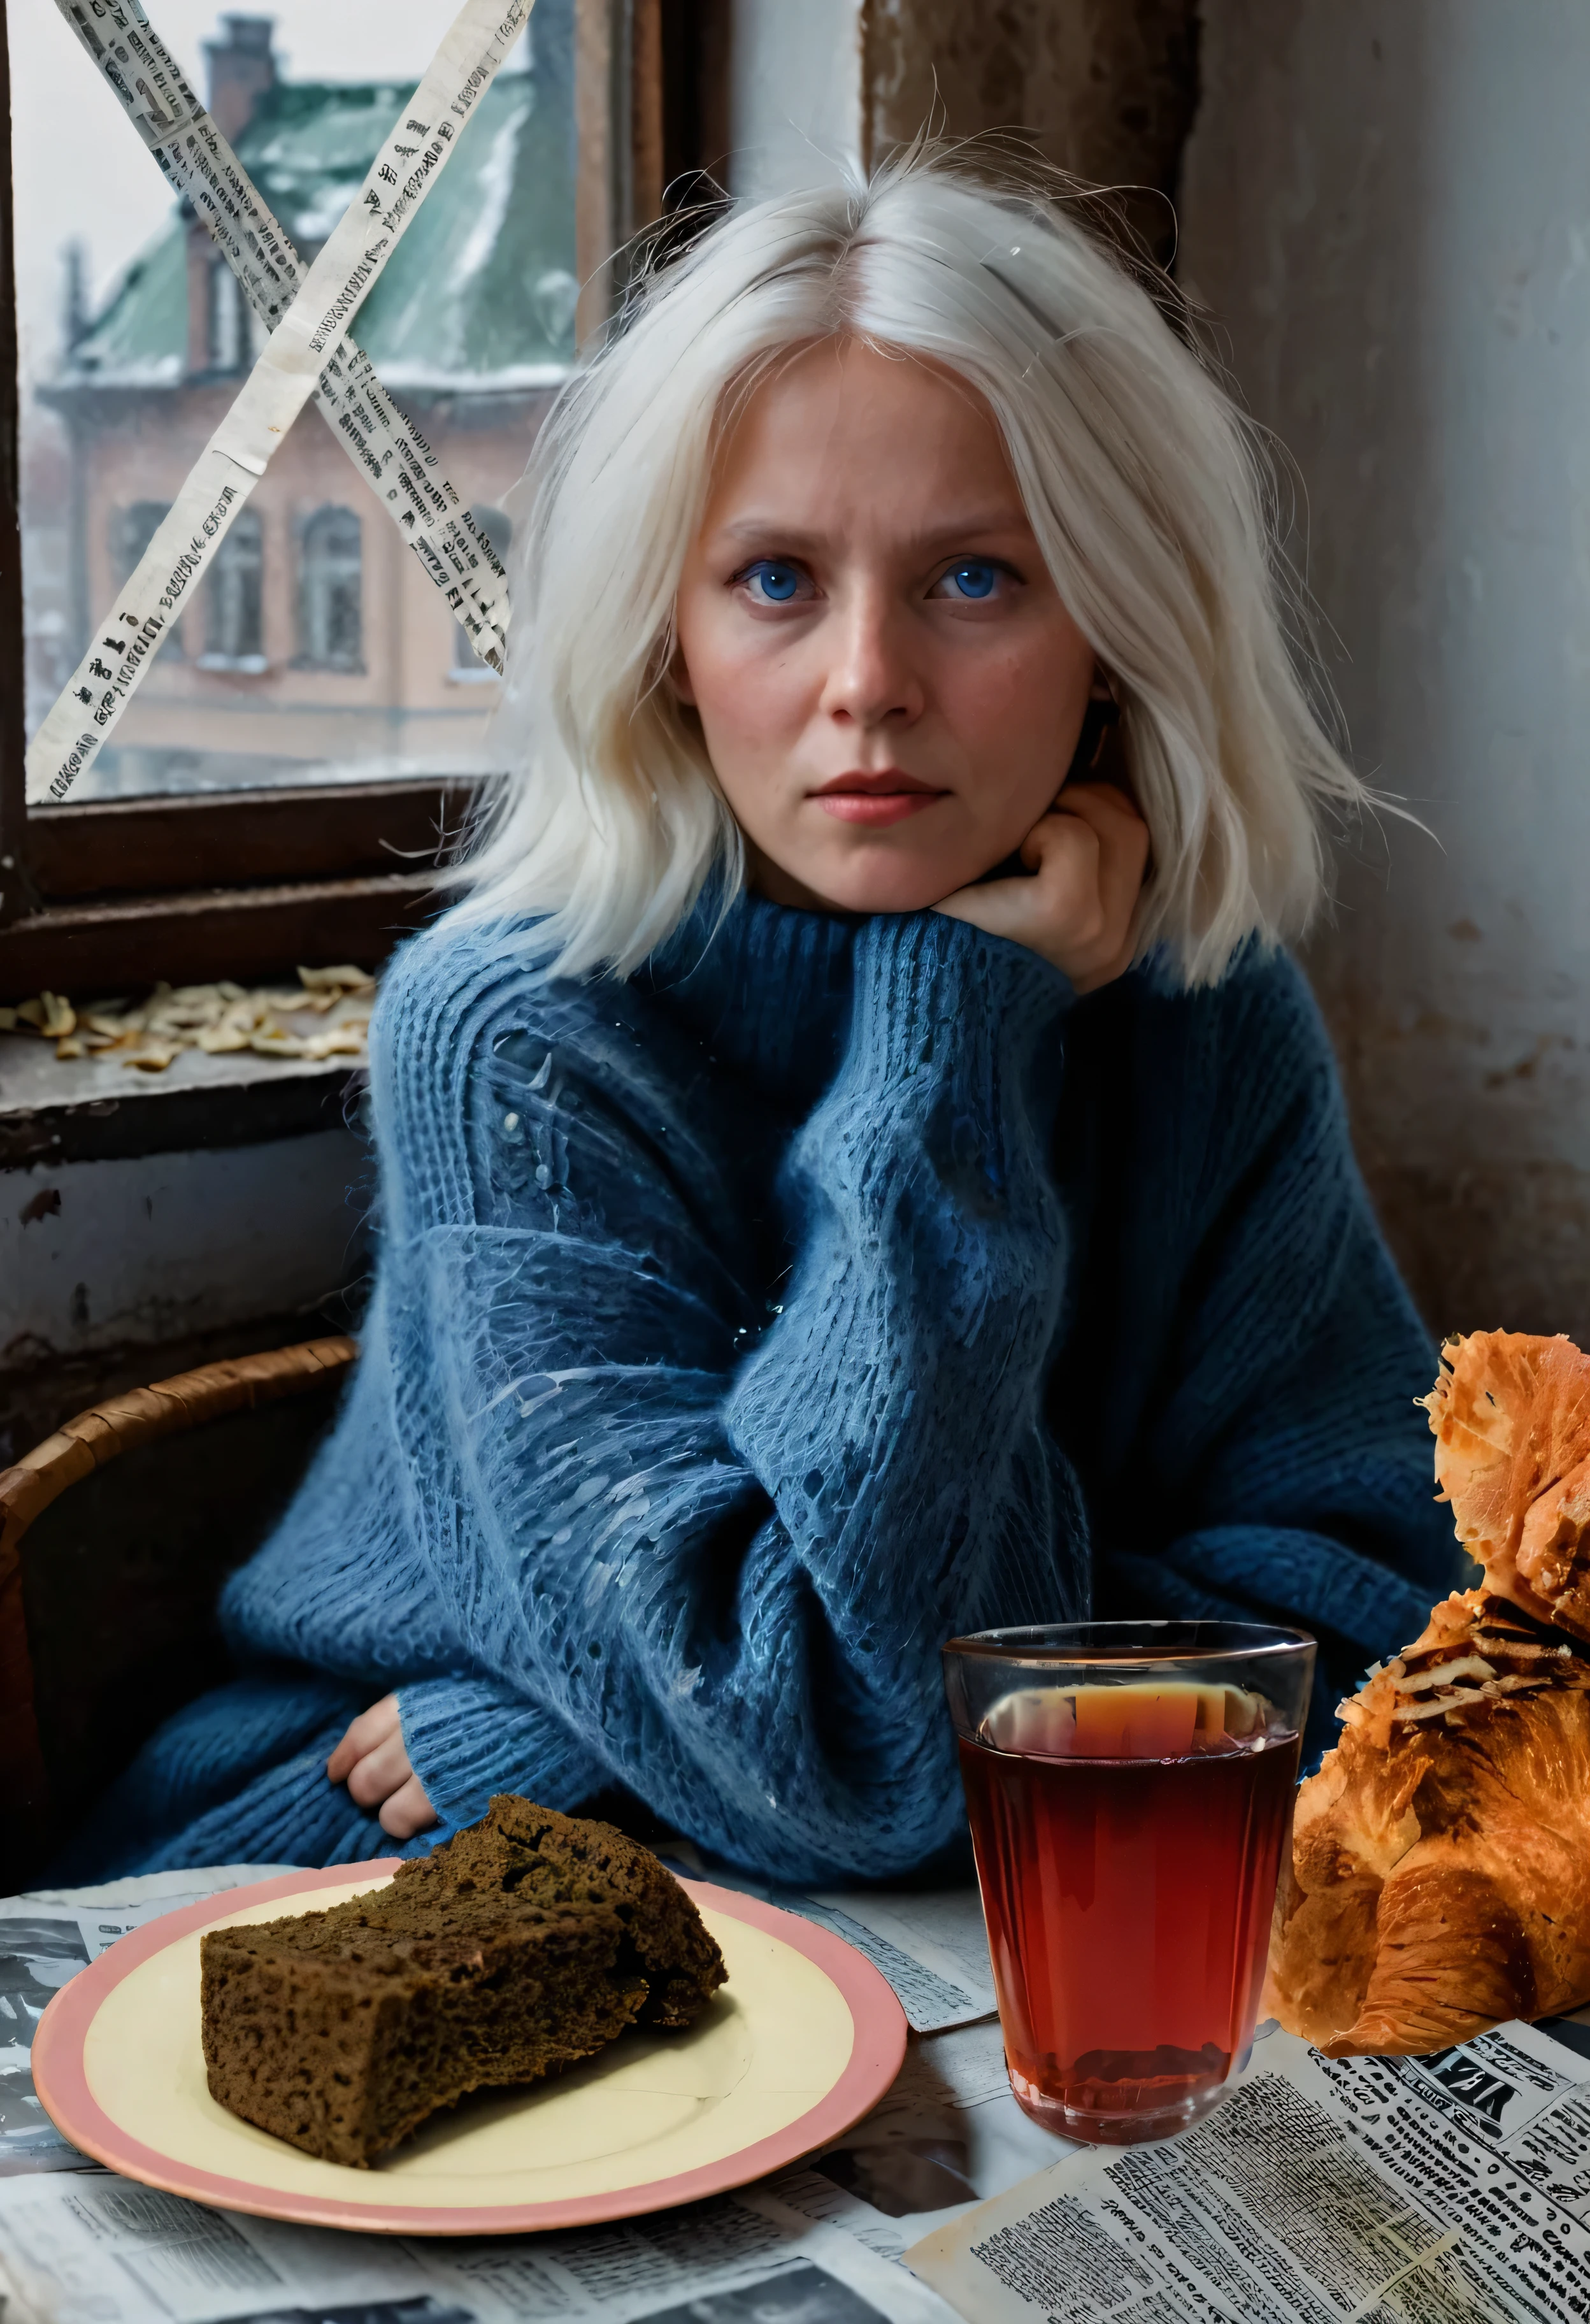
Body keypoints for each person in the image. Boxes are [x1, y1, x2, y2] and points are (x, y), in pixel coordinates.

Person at [65, 155, 1463, 1885]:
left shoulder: (1200, 1003)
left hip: (707, 1825)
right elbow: (848, 1752)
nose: (867, 679)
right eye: (778, 582)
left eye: (975, 581)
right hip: (364, 1852)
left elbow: (1392, 1621)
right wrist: (961, 1033)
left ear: (1113, 622)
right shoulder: (514, 1038)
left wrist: (599, 1719)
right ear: (668, 634)